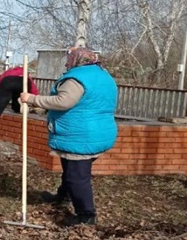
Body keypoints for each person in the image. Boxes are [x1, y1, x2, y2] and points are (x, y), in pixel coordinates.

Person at [20, 46, 117, 227]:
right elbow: (83, 103)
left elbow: (64, 101)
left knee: (76, 177)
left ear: (77, 60)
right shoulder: (103, 76)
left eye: (69, 58)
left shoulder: (76, 78)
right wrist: (41, 108)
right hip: (99, 132)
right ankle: (62, 197)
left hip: (81, 135)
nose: (67, 62)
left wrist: (32, 99)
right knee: (71, 170)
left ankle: (86, 215)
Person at [0, 66, 39, 140]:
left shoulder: (7, 72)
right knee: (19, 99)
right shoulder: (26, 74)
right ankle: (22, 107)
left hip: (8, 81)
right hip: (23, 82)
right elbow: (33, 88)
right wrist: (35, 101)